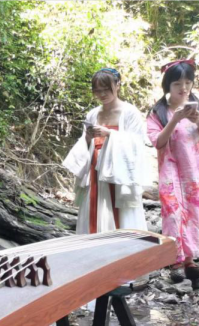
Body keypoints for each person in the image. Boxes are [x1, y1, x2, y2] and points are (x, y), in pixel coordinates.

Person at [146, 59, 199, 283]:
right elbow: (158, 142)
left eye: (188, 82)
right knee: (173, 214)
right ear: (167, 85)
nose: (183, 88)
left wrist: (198, 119)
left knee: (195, 213)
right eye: (177, 83)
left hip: (196, 171)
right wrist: (175, 120)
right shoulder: (158, 112)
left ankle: (189, 261)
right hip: (171, 171)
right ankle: (175, 262)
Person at [63, 68, 148, 235]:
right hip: (95, 171)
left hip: (119, 174)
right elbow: (85, 144)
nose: (102, 94)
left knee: (120, 215)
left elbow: (137, 144)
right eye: (97, 90)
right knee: (94, 209)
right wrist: (88, 138)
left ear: (117, 85)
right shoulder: (92, 114)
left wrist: (109, 134)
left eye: (106, 89)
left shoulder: (130, 113)